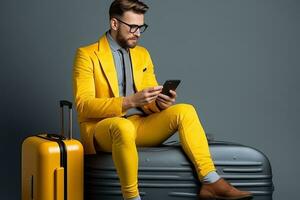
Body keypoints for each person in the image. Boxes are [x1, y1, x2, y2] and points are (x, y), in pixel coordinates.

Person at [73, 0, 253, 200]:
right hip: (103, 129)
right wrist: (129, 102)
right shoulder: (87, 55)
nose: (138, 33)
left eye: (142, 27)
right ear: (114, 24)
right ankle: (131, 197)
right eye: (133, 27)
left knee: (186, 110)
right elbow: (83, 105)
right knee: (121, 128)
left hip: (139, 125)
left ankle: (210, 181)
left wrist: (160, 103)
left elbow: (149, 98)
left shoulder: (142, 54)